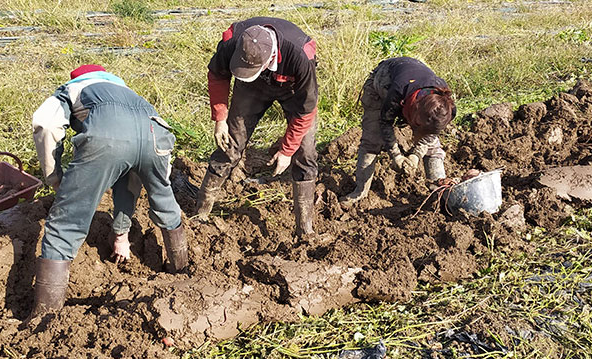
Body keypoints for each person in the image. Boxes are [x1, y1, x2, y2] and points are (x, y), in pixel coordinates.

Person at [29, 64, 188, 317]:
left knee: (66, 223)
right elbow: (129, 184)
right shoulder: (132, 95)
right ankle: (183, 276)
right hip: (156, 134)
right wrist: (120, 235)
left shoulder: (72, 89)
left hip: (107, 138)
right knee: (165, 203)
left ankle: (45, 315)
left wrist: (54, 178)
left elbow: (45, 124)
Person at [193, 17, 319, 237]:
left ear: (269, 58)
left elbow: (306, 110)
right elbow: (217, 75)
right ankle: (200, 214)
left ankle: (304, 230)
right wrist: (220, 118)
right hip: (252, 88)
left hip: (291, 89)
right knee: (229, 142)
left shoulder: (300, 55)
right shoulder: (233, 41)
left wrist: (287, 150)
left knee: (305, 151)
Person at [340, 56, 456, 205]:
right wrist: (396, 155)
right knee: (372, 140)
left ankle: (440, 191)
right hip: (382, 84)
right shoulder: (397, 92)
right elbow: (385, 122)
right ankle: (360, 192)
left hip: (413, 87)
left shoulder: (446, 108)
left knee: (433, 146)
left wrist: (416, 155)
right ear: (414, 110)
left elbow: (431, 133)